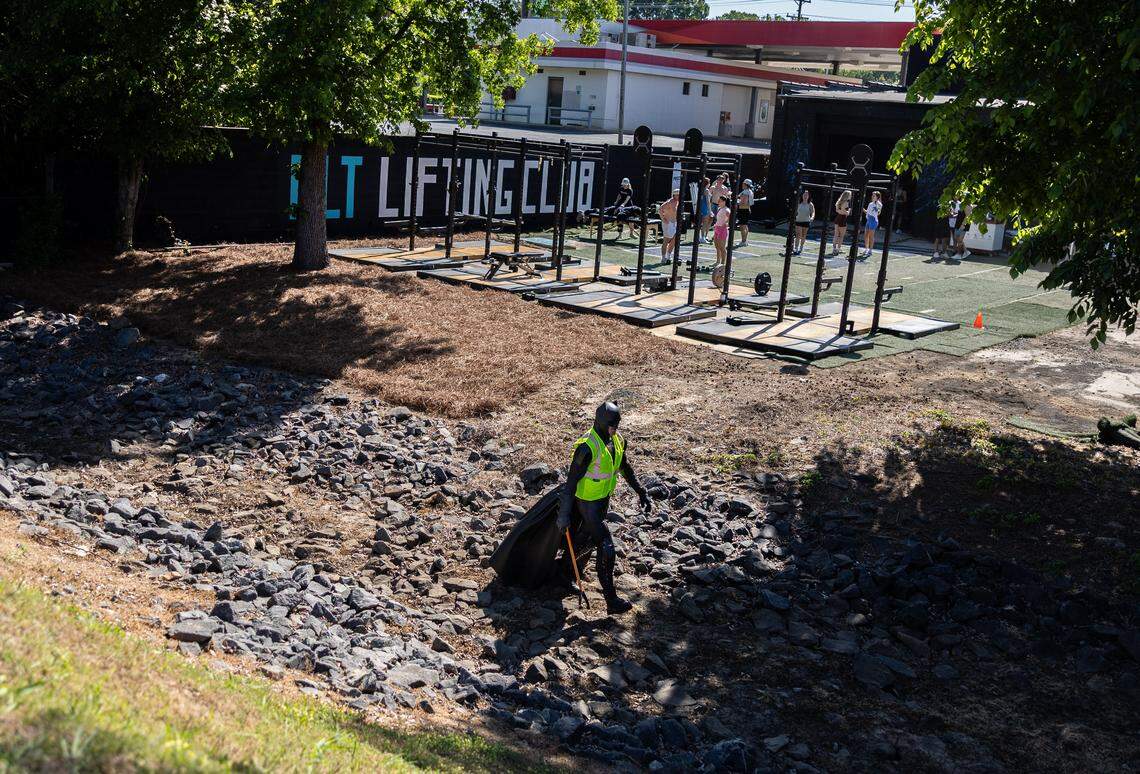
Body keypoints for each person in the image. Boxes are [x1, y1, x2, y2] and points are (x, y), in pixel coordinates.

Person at [557, 402, 652, 614]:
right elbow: (570, 483)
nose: (615, 429)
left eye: (617, 425)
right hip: (587, 504)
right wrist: (564, 514)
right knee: (606, 546)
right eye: (612, 425)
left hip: (602, 500)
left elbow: (625, 467)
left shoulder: (617, 441)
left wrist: (641, 491)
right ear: (601, 423)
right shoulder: (586, 447)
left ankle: (563, 572)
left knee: (586, 539)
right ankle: (611, 600)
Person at [658, 189, 680, 264]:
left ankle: (668, 256)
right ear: (675, 195)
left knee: (674, 239)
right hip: (668, 223)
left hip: (674, 223)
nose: (679, 196)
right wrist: (663, 219)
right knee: (666, 240)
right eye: (678, 195)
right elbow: (660, 209)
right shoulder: (669, 202)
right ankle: (663, 257)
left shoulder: (678, 202)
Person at [712, 194, 730, 284]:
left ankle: (723, 263)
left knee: (722, 247)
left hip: (722, 229)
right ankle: (718, 261)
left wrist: (725, 224)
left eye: (720, 201)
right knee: (717, 246)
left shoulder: (727, 209)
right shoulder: (720, 209)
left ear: (724, 202)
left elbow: (729, 218)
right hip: (717, 228)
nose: (718, 202)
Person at [792, 190, 814, 256]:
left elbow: (813, 212)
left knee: (803, 235)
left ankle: (801, 247)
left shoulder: (810, 204)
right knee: (798, 234)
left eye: (807, 195)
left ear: (808, 196)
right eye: (804, 195)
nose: (805, 196)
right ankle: (796, 248)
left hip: (806, 221)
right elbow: (794, 211)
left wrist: (812, 217)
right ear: (802, 195)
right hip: (798, 221)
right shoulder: (798, 203)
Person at [862, 190, 882, 259]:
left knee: (871, 236)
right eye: (872, 195)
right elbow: (867, 212)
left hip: (873, 221)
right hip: (868, 220)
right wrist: (863, 209)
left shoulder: (879, 204)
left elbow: (878, 213)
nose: (872, 197)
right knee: (866, 235)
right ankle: (866, 249)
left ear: (877, 197)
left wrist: (876, 208)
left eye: (874, 196)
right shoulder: (870, 204)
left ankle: (870, 250)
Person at [832, 189, 851, 256]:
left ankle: (834, 248)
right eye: (850, 195)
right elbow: (845, 212)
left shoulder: (839, 201)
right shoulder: (846, 202)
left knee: (836, 234)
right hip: (843, 218)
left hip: (838, 218)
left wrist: (843, 211)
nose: (850, 196)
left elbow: (837, 210)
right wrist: (848, 211)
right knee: (841, 236)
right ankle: (838, 249)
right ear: (847, 195)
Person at [736, 179, 754, 246]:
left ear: (746, 185)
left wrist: (737, 202)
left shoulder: (746, 192)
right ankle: (744, 241)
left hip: (743, 210)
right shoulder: (748, 191)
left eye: (743, 183)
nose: (742, 184)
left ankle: (743, 241)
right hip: (746, 210)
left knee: (742, 226)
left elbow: (744, 202)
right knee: (745, 226)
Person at [697, 177, 712, 243]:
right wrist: (710, 211)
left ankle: (700, 237)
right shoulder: (706, 190)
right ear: (707, 183)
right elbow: (708, 201)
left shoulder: (700, 189)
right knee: (705, 223)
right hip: (705, 208)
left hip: (700, 207)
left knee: (701, 223)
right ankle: (702, 238)